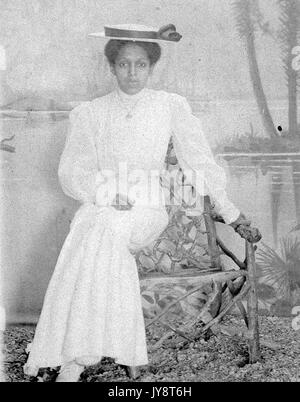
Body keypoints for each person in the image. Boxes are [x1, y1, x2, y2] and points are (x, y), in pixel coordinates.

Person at [23, 24, 250, 382]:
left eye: (140, 65)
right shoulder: (90, 113)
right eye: (124, 64)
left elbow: (199, 161)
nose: (132, 73)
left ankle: (75, 355)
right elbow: (72, 171)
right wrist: (105, 193)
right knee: (96, 228)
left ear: (151, 67)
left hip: (146, 208)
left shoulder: (170, 106)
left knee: (98, 232)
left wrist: (231, 213)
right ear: (111, 67)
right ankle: (90, 352)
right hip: (102, 203)